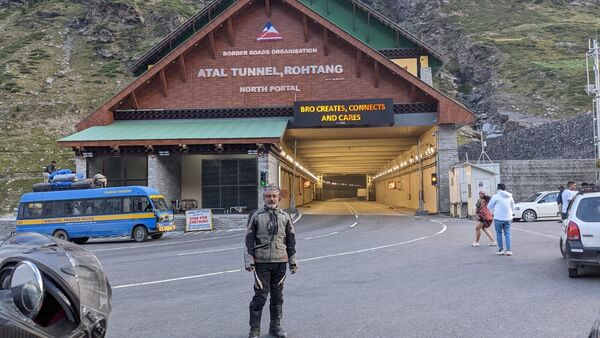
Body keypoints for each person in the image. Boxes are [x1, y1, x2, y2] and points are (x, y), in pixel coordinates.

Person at [245, 185, 298, 338]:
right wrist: (249, 261)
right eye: (268, 196)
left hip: (280, 261)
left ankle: (275, 327)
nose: (271, 199)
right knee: (260, 296)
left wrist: (292, 262)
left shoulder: (285, 216)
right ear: (264, 198)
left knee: (277, 296)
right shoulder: (255, 215)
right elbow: (248, 239)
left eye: (274, 196)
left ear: (279, 199)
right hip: (261, 262)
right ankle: (254, 329)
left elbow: (291, 240)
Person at [488, 183, 515, 256]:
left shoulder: (495, 196)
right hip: (508, 218)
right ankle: (509, 250)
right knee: (507, 234)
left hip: (498, 218)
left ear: (498, 188)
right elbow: (513, 206)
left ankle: (501, 250)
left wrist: (495, 207)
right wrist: (510, 213)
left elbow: (489, 206)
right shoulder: (510, 196)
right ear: (505, 189)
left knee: (499, 234)